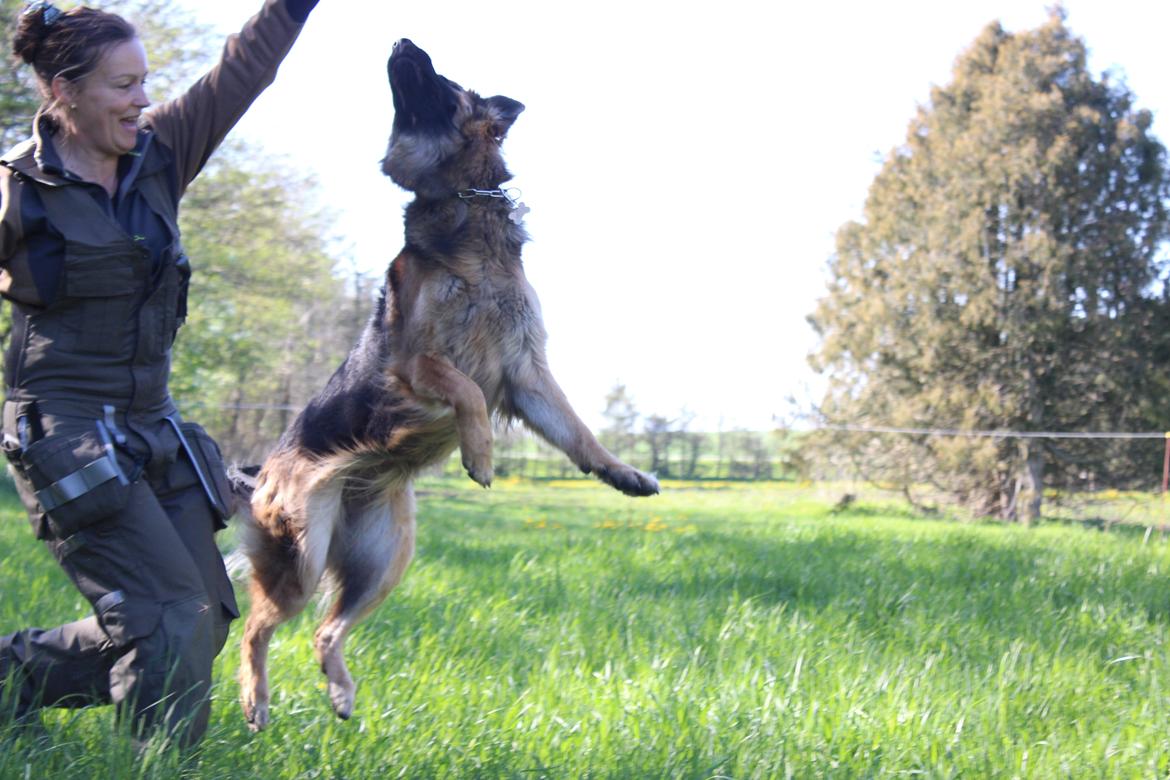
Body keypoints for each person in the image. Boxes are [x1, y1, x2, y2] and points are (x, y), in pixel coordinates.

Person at [0, 0, 320, 747]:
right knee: (168, 609)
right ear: (63, 90)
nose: (142, 99)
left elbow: (247, 66)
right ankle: (154, 766)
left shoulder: (163, 151)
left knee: (199, 617)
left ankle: (13, 678)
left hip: (152, 423)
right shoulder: (16, 189)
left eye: (145, 82)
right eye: (122, 85)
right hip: (67, 431)